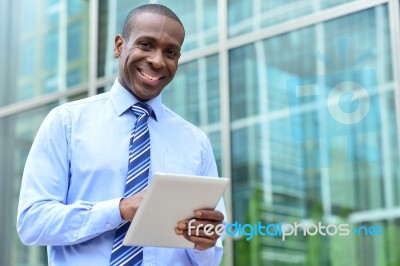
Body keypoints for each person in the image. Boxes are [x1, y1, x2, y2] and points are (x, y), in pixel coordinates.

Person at [16, 4, 226, 266]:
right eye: (146, 45)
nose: (158, 61)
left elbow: (210, 257)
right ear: (119, 46)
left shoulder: (197, 143)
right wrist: (119, 210)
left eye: (170, 52)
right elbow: (32, 223)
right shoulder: (67, 123)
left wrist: (204, 244)